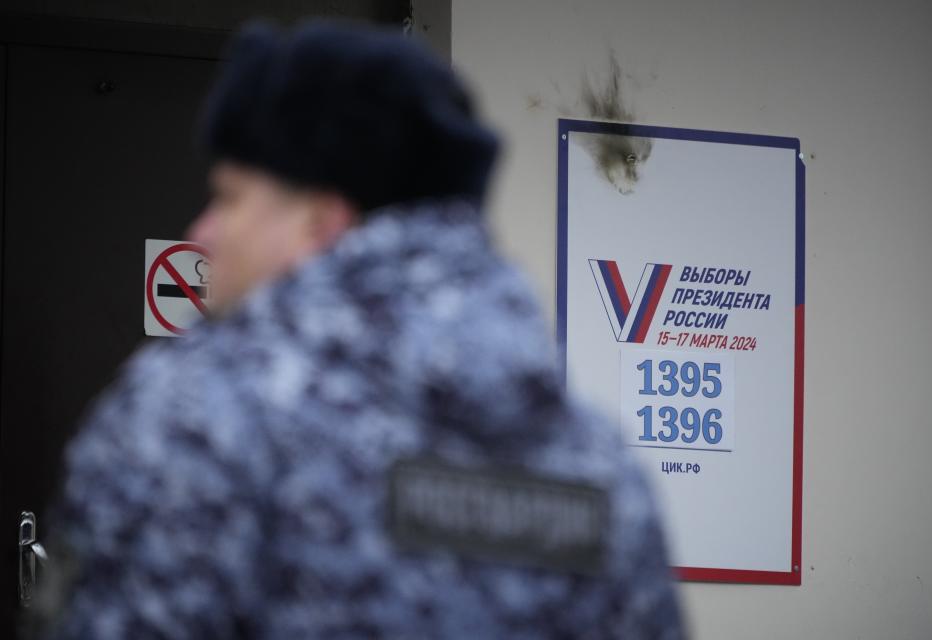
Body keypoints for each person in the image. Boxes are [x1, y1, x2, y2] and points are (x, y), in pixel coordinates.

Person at [38, 20, 685, 639]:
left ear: (321, 226)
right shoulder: (599, 467)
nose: (201, 233)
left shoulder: (197, 416)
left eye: (230, 198)